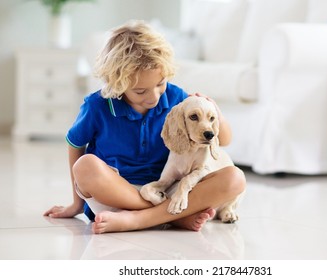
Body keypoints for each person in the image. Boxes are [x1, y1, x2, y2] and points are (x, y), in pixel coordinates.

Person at [43, 20, 246, 234]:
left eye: (160, 84)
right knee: (85, 166)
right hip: (116, 195)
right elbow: (74, 145)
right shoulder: (97, 105)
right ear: (118, 84)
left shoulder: (176, 98)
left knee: (235, 178)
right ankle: (167, 217)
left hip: (166, 189)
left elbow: (224, 140)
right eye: (141, 91)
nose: (154, 97)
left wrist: (216, 113)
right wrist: (76, 204)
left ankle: (144, 219)